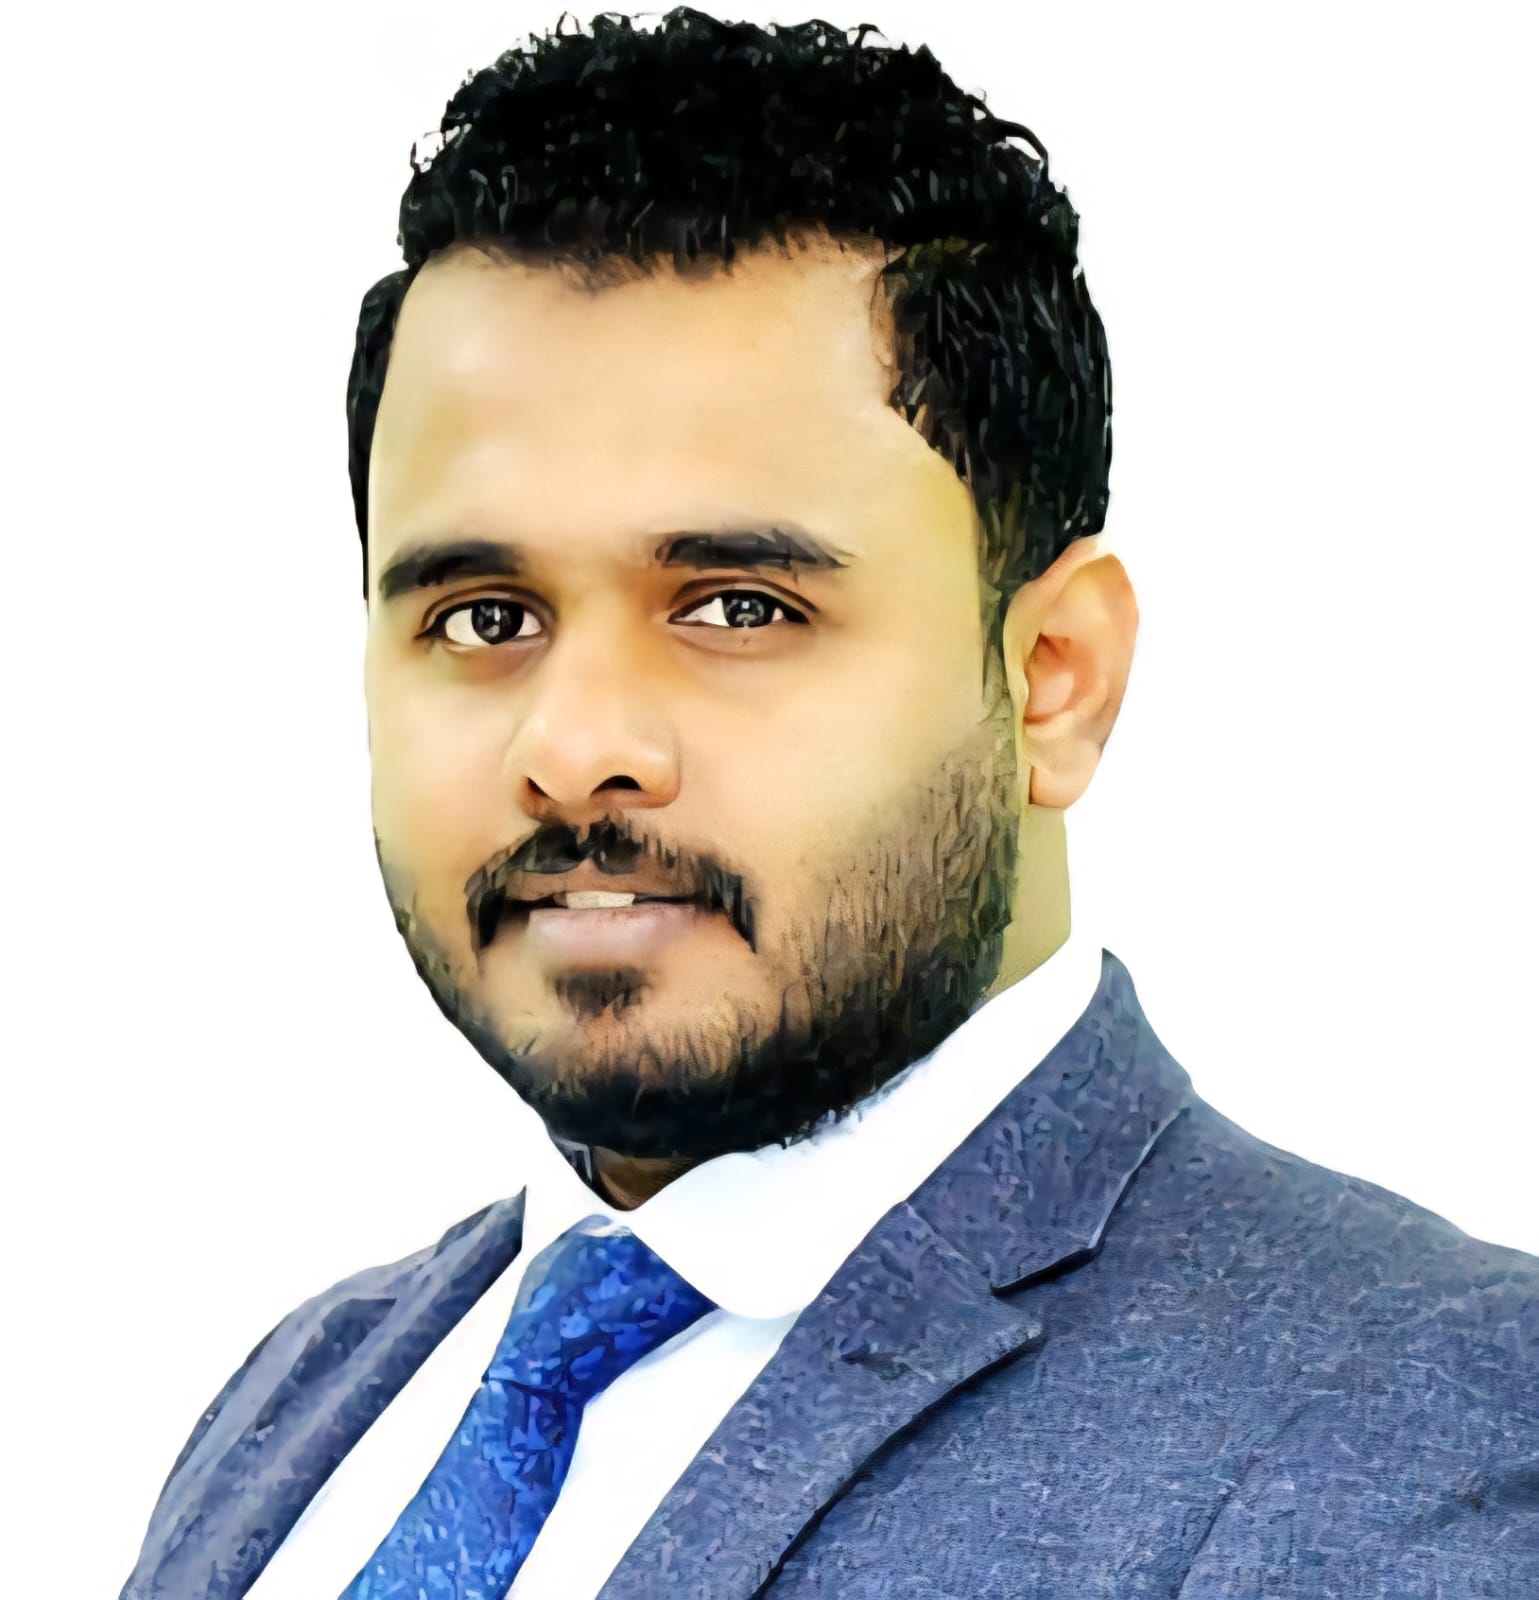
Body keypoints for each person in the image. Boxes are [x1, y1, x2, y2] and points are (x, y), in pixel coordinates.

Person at [119, 9, 1539, 1598]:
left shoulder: (1419, 1445)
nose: (574, 748)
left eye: (739, 607)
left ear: (1054, 678)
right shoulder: (303, 1399)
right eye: (485, 617)